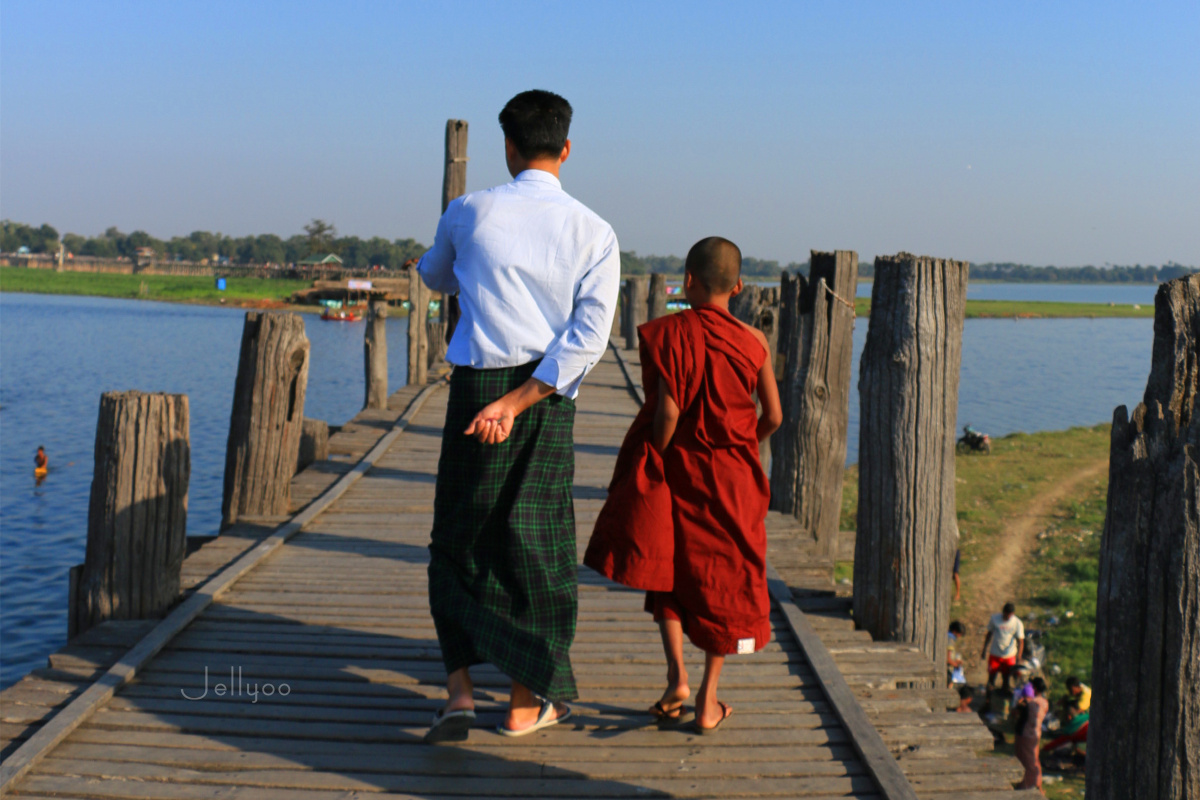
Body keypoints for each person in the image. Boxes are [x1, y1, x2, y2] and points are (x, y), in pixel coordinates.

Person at [417, 90, 620, 743]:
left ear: (508, 147)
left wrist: (498, 398)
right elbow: (588, 338)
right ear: (565, 148)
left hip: (477, 390)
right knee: (537, 543)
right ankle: (526, 703)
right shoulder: (594, 230)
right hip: (544, 398)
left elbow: (435, 278)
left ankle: (459, 693)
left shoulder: (468, 210)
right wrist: (522, 400)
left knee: (458, 534)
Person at [584, 237, 783, 734]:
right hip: (735, 477)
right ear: (738, 287)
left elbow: (668, 411)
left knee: (671, 565)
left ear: (687, 281)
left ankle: (676, 676)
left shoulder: (673, 333)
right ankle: (709, 699)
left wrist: (660, 452)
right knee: (723, 578)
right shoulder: (754, 342)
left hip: (680, 469)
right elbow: (775, 416)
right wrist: (743, 444)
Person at [982, 602, 1025, 697]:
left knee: (1006, 678)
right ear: (1003, 612)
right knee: (991, 679)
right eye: (1006, 615)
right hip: (995, 654)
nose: (1007, 617)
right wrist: (984, 649)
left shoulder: (1017, 623)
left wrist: (1019, 656)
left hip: (1009, 655)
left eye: (1009, 615)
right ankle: (988, 701)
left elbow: (1020, 641)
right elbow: (989, 634)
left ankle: (1002, 701)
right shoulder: (995, 619)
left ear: (1013, 614)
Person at [1015, 676, 1049, 792]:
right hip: (1036, 734)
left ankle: (1028, 785)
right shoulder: (1044, 702)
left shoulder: (1030, 704)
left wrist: (1020, 705)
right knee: (1034, 759)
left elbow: (1021, 717)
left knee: (1027, 761)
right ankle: (1037, 784)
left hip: (1025, 734)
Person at [1042, 676, 1090, 754]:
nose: (1070, 692)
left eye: (1071, 690)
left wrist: (1044, 749)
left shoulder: (1086, 695)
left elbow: (1079, 710)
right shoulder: (1078, 688)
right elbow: (1065, 698)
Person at [947, 620, 966, 686]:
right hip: (947, 670)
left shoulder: (947, 636)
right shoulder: (950, 640)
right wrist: (956, 665)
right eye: (959, 634)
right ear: (955, 631)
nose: (959, 636)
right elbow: (947, 658)